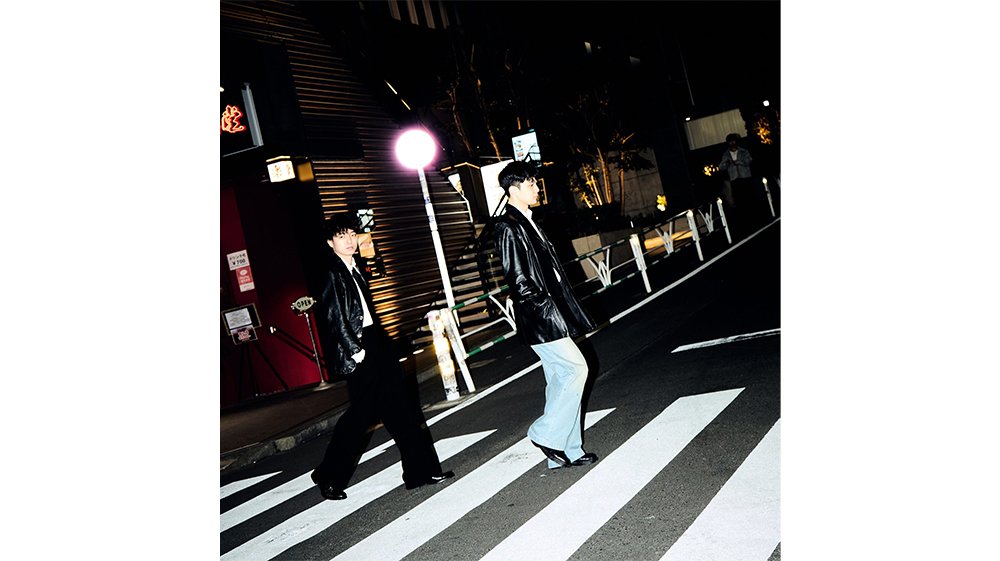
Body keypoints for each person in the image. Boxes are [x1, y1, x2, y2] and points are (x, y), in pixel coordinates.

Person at [310, 213, 454, 500]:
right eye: (341, 236)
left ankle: (421, 472)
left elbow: (364, 312)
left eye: (352, 234)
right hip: (358, 348)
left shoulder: (356, 268)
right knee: (360, 416)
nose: (349, 240)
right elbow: (335, 319)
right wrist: (355, 350)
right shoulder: (331, 272)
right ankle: (329, 475)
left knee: (401, 409)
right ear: (330, 242)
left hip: (375, 342)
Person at [493, 161, 599, 470]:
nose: (537, 188)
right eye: (531, 184)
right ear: (513, 189)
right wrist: (544, 309)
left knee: (558, 380)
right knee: (577, 369)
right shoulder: (508, 226)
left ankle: (569, 450)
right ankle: (544, 433)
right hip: (541, 317)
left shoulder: (528, 220)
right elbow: (518, 279)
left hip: (551, 313)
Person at [718, 132, 753, 213]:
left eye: (733, 141)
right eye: (730, 141)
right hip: (734, 179)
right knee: (739, 199)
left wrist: (739, 162)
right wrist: (726, 163)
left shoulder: (743, 151)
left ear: (736, 141)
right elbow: (721, 167)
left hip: (745, 177)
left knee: (749, 196)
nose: (732, 143)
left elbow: (749, 160)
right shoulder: (726, 154)